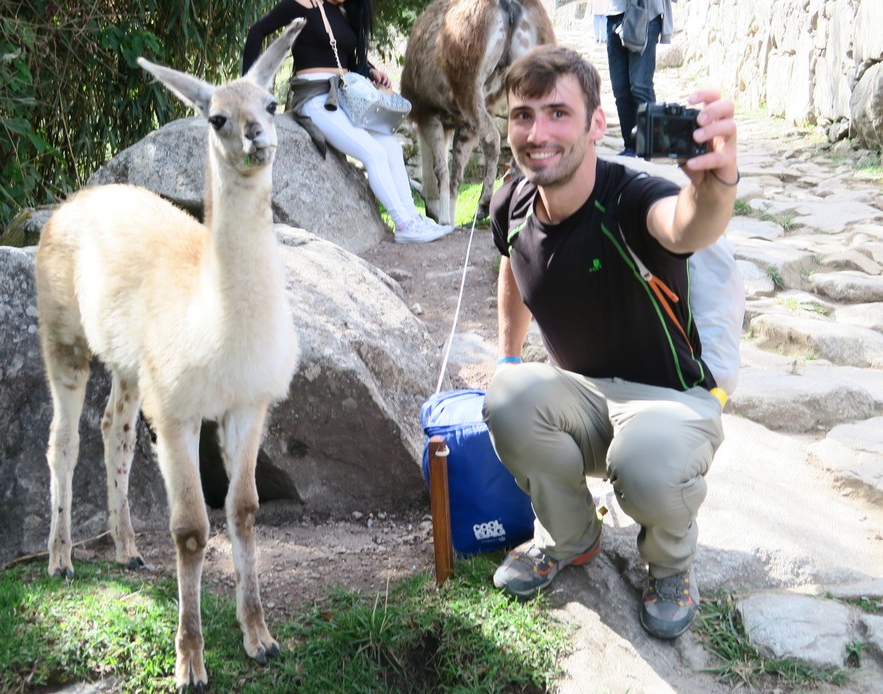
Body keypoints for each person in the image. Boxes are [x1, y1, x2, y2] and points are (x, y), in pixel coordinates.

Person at [483, 44, 739, 640]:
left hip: (672, 404)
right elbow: (510, 264)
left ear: (597, 123)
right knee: (507, 394)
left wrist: (715, 184)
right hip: (585, 399)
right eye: (523, 115)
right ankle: (572, 537)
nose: (537, 132)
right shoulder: (512, 202)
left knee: (645, 463)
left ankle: (671, 566)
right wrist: (507, 354)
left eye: (558, 113)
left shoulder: (631, 199)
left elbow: (687, 225)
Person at [242, 0, 451, 244]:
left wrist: (371, 70)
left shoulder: (340, 12)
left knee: (391, 147)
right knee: (373, 152)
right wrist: (250, 87)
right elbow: (257, 32)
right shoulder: (299, 5)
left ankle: (413, 219)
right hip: (316, 100)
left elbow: (341, 56)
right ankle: (403, 223)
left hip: (343, 99)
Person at [606, 0, 674, 156]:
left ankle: (652, 146)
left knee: (640, 85)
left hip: (646, 12)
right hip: (614, 13)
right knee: (620, 89)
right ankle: (631, 146)